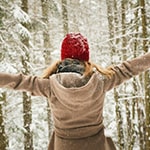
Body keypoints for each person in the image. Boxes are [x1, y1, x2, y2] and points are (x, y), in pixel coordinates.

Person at [0, 33, 150, 150]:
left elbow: (18, 81)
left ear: (63, 57)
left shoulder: (49, 85)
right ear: (86, 58)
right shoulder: (101, 81)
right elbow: (129, 68)